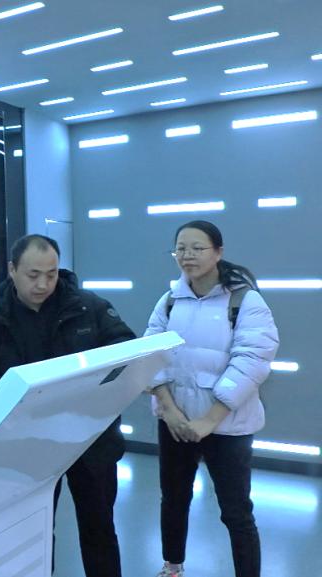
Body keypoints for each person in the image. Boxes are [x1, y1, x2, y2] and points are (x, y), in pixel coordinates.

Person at [0, 234, 134, 577]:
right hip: (30, 450)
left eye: (51, 274)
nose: (43, 284)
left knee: (99, 529)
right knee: (33, 535)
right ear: (12, 270)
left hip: (91, 441)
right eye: (33, 275)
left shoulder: (89, 308)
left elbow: (127, 353)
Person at [145, 221, 278, 577]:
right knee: (174, 499)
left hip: (227, 426)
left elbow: (252, 361)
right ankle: (172, 566)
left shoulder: (245, 300)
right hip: (175, 422)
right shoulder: (170, 300)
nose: (187, 255)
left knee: (236, 511)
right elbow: (150, 354)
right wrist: (169, 410)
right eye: (180, 248)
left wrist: (210, 419)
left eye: (197, 248)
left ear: (218, 252)